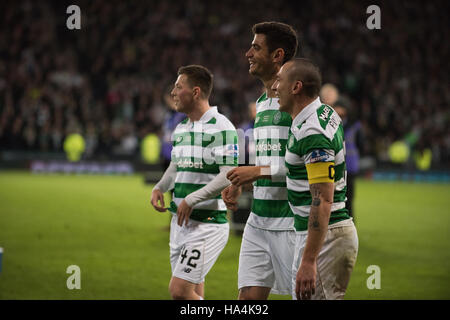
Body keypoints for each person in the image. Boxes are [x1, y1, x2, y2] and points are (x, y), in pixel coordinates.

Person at [221, 21, 298, 300]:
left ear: (277, 55)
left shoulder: (298, 102)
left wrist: (257, 171)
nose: (247, 54)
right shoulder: (263, 102)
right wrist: (244, 178)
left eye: (256, 47)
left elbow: (304, 167)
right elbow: (266, 154)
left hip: (292, 222)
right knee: (247, 300)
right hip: (258, 219)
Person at [271, 58, 358, 300]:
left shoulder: (312, 131)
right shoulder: (323, 112)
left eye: (279, 80)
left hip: (326, 236)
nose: (274, 87)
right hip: (327, 234)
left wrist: (309, 260)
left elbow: (323, 199)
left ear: (296, 87)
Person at [150, 65, 239, 300]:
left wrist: (192, 198)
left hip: (208, 224)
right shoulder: (181, 128)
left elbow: (228, 172)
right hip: (181, 224)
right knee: (192, 292)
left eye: (178, 87)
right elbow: (175, 166)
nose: (173, 92)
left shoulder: (222, 127)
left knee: (179, 292)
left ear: (196, 92)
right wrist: (160, 186)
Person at [334, 97, 364, 222]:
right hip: (336, 166)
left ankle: (350, 225)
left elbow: (361, 144)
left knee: (349, 199)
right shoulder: (333, 123)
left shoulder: (355, 126)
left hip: (350, 167)